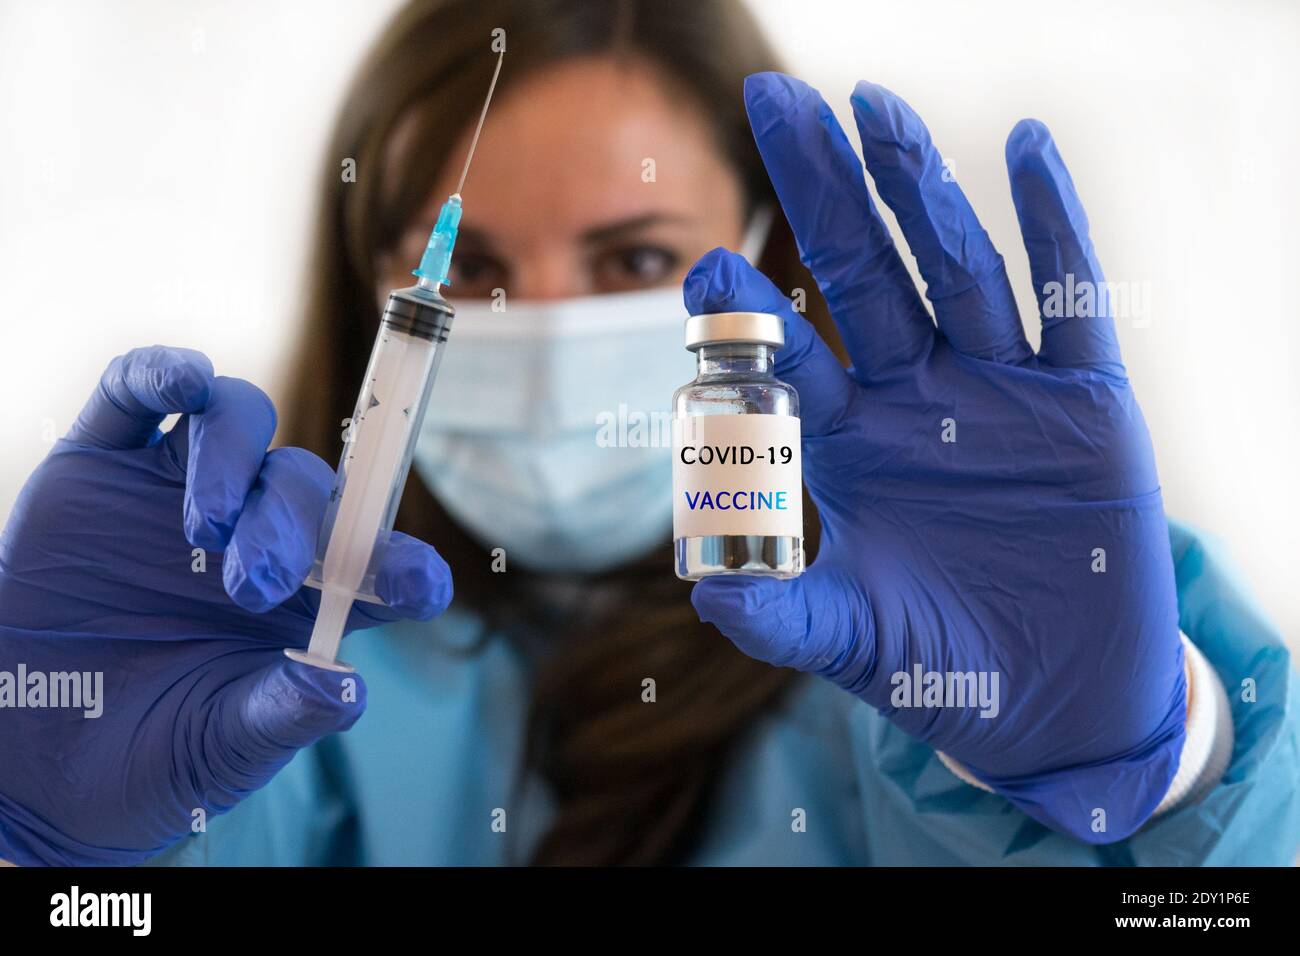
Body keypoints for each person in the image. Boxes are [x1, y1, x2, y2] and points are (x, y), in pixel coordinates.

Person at [0, 0, 1296, 867]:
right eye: (476, 275)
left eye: (635, 258)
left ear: (765, 261)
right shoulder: (281, 680)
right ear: (383, 298)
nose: (551, 328)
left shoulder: (951, 632)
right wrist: (52, 854)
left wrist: (1154, 773)